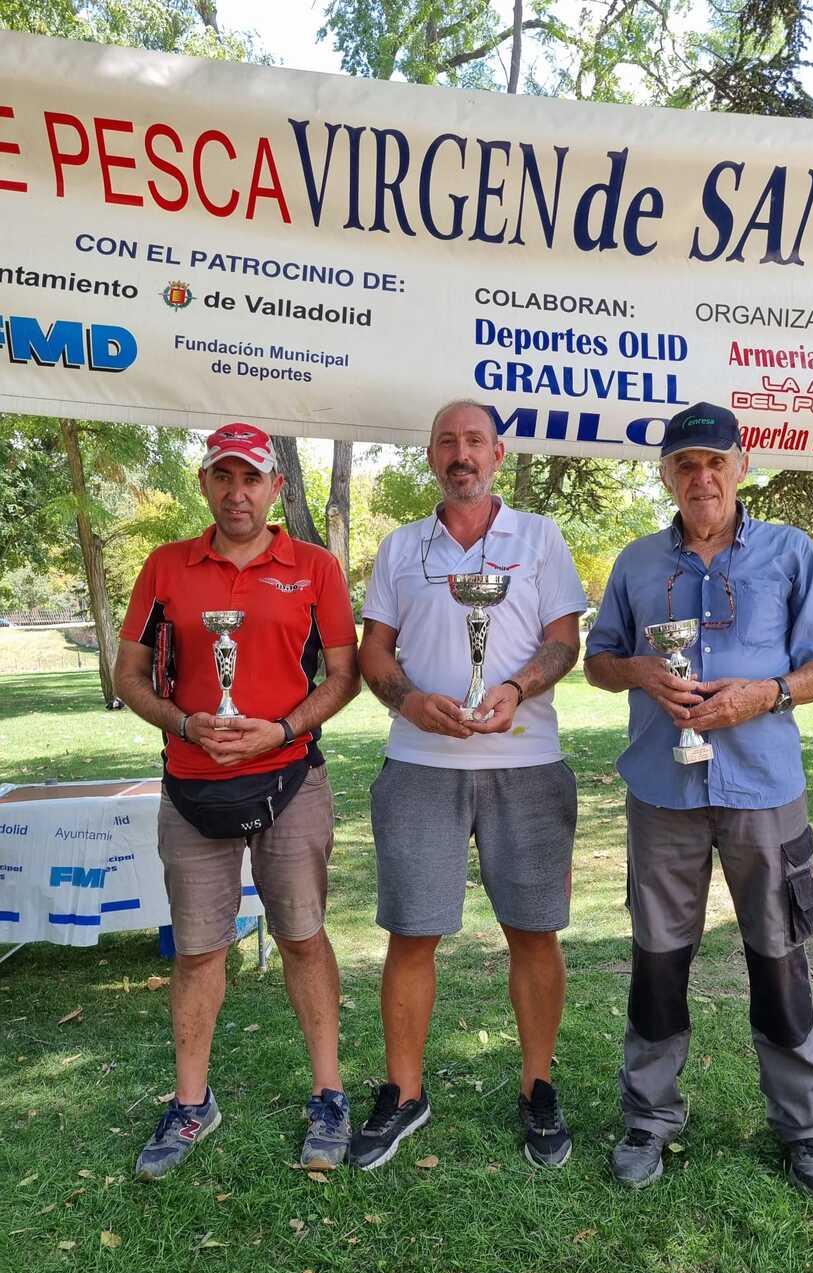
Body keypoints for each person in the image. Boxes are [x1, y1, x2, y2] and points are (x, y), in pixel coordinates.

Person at [584, 402, 813, 1197]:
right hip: (662, 790)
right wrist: (641, 671)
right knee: (659, 962)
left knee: (779, 958)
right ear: (666, 475)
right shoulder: (637, 563)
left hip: (763, 789)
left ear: (741, 466)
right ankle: (650, 1118)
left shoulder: (789, 553)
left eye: (714, 462)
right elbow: (599, 662)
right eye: (684, 465)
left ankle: (805, 1130)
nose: (700, 477)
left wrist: (764, 693)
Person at [115, 422, 360, 1181]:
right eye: (222, 477)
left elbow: (344, 675)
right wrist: (187, 722)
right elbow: (129, 676)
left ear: (275, 487)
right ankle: (192, 1102)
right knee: (197, 951)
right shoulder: (165, 567)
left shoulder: (315, 567)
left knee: (303, 937)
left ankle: (329, 1092)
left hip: (290, 779)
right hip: (192, 785)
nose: (237, 492)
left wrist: (279, 729)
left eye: (250, 477)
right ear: (204, 485)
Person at [352, 400, 587, 1170]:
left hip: (525, 762)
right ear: (430, 456)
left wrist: (515, 689)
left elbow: (563, 642)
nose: (462, 454)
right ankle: (405, 1092)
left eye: (475, 441)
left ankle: (539, 1087)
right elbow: (374, 653)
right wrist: (408, 698)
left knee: (533, 930)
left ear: (498, 453)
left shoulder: (541, 538)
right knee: (412, 932)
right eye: (447, 441)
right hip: (422, 765)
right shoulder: (399, 548)